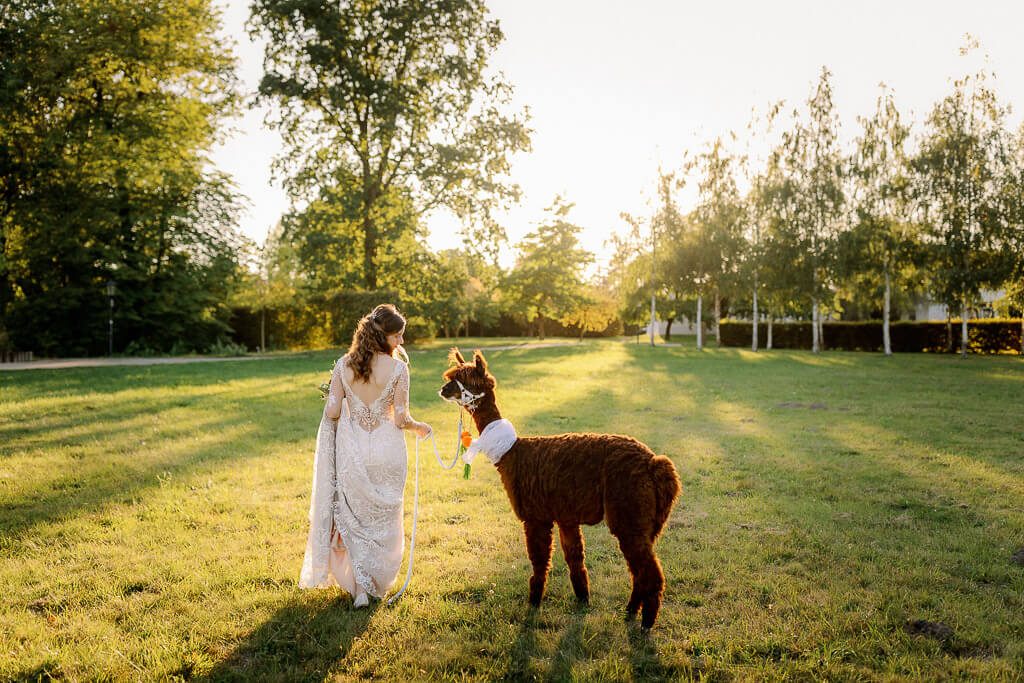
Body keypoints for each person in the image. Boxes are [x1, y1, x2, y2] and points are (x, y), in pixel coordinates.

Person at [299, 304, 431, 607]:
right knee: (382, 520)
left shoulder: (344, 364)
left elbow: (332, 410)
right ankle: (371, 584)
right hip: (388, 452)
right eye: (397, 336)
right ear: (383, 335)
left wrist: (338, 398)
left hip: (353, 452)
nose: (400, 343)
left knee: (354, 518)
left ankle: (360, 589)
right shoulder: (398, 369)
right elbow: (401, 418)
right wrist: (421, 428)